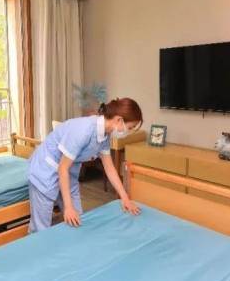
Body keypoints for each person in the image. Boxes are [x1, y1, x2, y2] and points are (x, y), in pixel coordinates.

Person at [27, 98, 143, 232]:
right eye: (130, 128)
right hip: (45, 171)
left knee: (78, 220)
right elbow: (63, 168)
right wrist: (68, 207)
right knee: (40, 228)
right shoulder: (84, 130)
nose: (128, 132)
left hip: (67, 173)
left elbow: (109, 168)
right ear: (119, 120)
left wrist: (125, 198)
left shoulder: (105, 135)